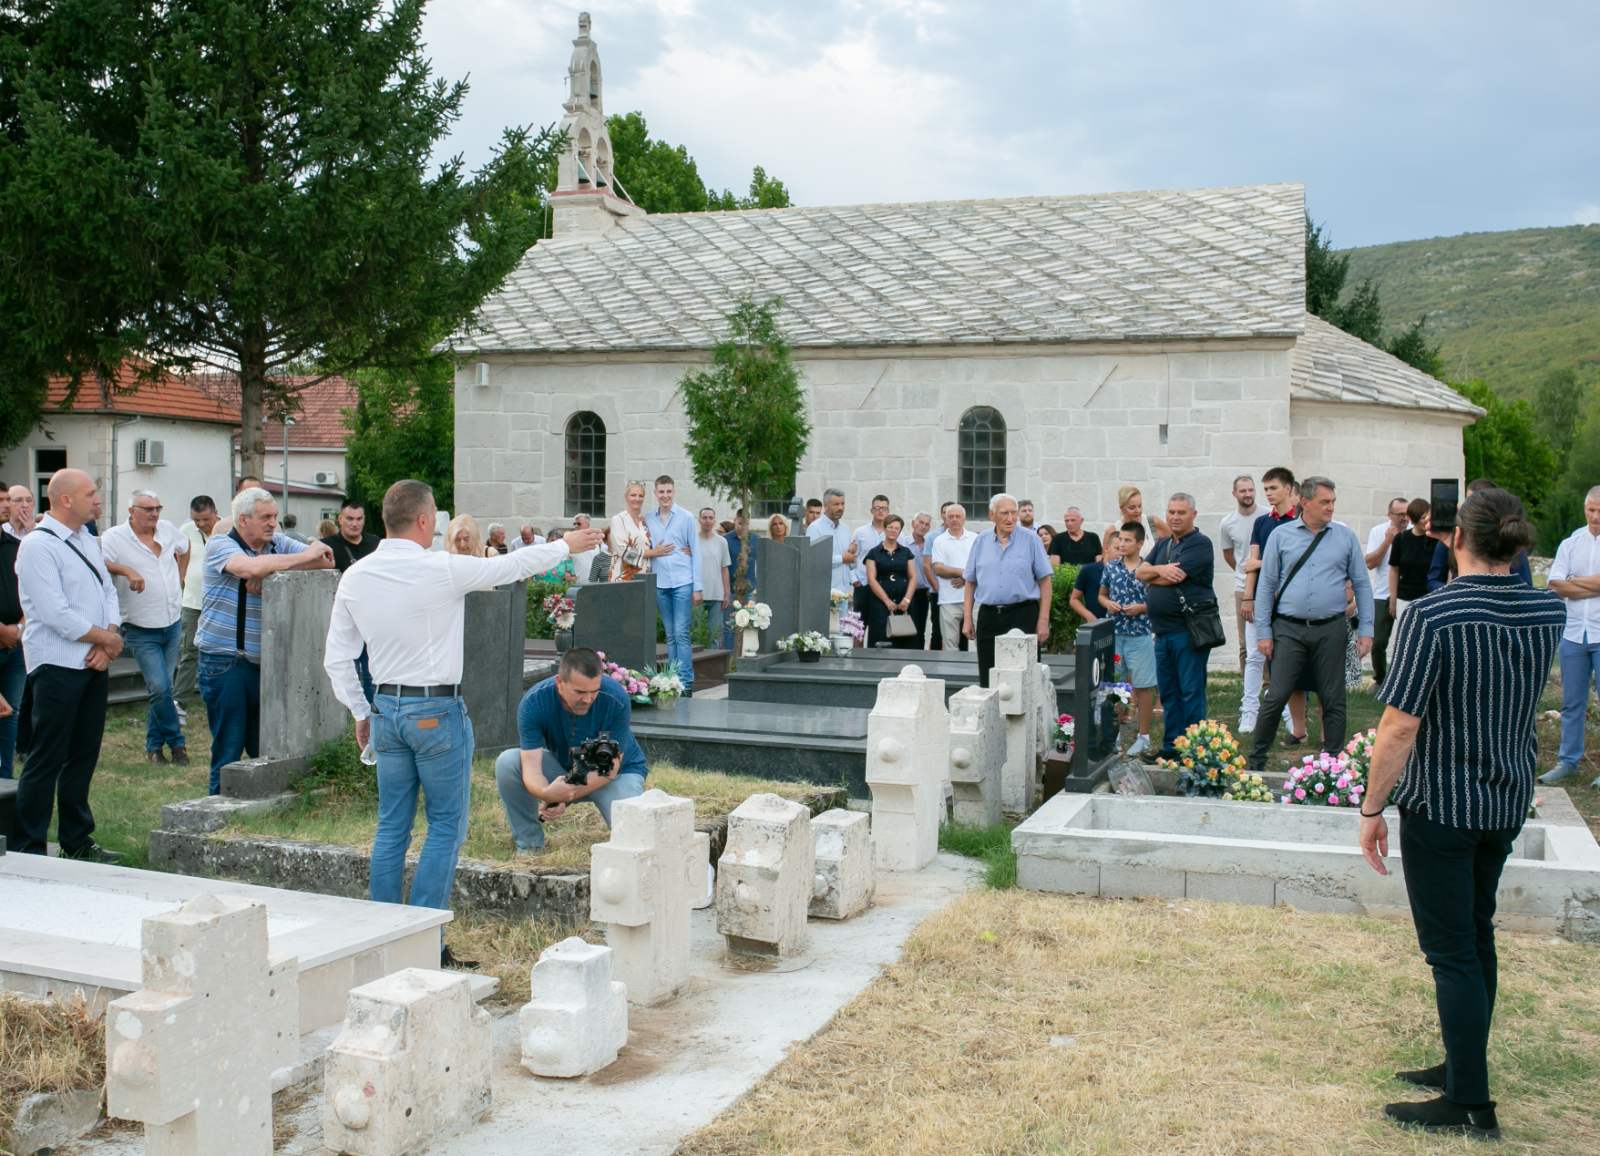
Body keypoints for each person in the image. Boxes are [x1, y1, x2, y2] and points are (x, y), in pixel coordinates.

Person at [324, 480, 602, 962]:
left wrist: (360, 709)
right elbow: (509, 566)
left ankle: (383, 937)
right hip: (434, 711)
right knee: (445, 826)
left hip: (386, 707)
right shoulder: (438, 568)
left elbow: (337, 658)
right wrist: (565, 546)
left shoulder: (356, 575)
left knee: (391, 826)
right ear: (424, 520)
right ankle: (422, 945)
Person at [1358, 487, 1562, 1140]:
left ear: (1457, 539)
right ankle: (1462, 1065)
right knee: (1476, 936)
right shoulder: (1546, 609)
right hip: (1504, 799)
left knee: (1452, 952)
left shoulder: (1433, 615)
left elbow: (1399, 725)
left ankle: (1470, 1103)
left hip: (1444, 805)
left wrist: (1371, 806)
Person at [11, 469, 123, 859]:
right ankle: (29, 843)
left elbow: (108, 593)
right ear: (65, 500)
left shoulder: (88, 540)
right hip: (57, 665)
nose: (97, 500)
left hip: (93, 662)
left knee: (84, 754)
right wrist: (104, 638)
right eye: (90, 494)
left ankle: (77, 840)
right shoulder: (38, 546)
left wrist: (108, 640)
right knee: (48, 755)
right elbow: (53, 612)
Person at [196, 487, 333, 794]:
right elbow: (247, 567)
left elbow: (324, 559)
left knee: (266, 745)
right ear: (243, 520)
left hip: (263, 664)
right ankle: (218, 806)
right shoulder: (221, 544)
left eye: (274, 516)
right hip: (225, 661)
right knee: (228, 746)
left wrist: (269, 568)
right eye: (265, 517)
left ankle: (258, 805)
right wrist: (276, 564)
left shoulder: (275, 544)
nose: (273, 523)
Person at [1247, 477, 1374, 768]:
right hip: (1288, 629)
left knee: (1333, 698)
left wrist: (1366, 630)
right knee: (1276, 694)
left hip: (1331, 628)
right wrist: (1264, 632)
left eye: (1333, 502)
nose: (1330, 507)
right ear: (1305, 502)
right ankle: (1256, 760)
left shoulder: (1345, 537)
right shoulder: (1280, 536)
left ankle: (1333, 763)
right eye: (1324, 502)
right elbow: (1266, 586)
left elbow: (1362, 584)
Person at [493, 647, 648, 857]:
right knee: (508, 762)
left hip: (617, 774)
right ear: (560, 682)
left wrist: (565, 796)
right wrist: (547, 793)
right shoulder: (534, 702)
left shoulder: (615, 697)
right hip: (566, 767)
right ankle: (529, 846)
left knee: (635, 840)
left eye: (594, 691)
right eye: (580, 692)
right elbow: (531, 769)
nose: (588, 699)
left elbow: (609, 769)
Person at [101, 490, 191, 764]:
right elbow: (101, 563)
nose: (154, 514)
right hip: (140, 626)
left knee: (162, 688)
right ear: (132, 511)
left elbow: (185, 547)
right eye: (148, 509)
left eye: (157, 508)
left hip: (171, 621)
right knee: (160, 687)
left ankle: (154, 747)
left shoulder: (167, 529)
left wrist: (181, 577)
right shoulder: (115, 537)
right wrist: (127, 571)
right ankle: (177, 744)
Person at [1135, 493, 1214, 762]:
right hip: (1162, 632)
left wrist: (1153, 574)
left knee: (1190, 691)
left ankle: (1194, 749)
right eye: (1171, 512)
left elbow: (1173, 579)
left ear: (1193, 515)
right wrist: (1160, 570)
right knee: (1169, 692)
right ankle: (1171, 747)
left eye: (1181, 512)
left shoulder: (1200, 544)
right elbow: (1139, 573)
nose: (1175, 517)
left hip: (1188, 631)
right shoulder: (1163, 543)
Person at [1240, 466, 1307, 740]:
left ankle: (1290, 715)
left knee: (1284, 660)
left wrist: (1261, 563)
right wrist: (1248, 596)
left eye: (1273, 488)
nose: (1268, 493)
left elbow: (1294, 564)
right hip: (1260, 598)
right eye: (1266, 488)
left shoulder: (1301, 521)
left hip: (1288, 602)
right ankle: (1249, 712)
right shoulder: (1262, 522)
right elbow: (1250, 564)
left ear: (1289, 489)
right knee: (1254, 657)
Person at [1541, 484, 1600, 787]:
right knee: (1572, 702)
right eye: (1591, 510)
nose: (1596, 516)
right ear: (1584, 509)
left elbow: (1567, 583)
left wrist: (1574, 581)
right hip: (1574, 633)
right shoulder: (1571, 543)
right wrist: (1592, 585)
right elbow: (1555, 584)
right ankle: (1568, 761)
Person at [962, 494, 1052, 687]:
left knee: (1025, 678)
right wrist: (967, 618)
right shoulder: (981, 540)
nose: (1010, 518)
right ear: (992, 515)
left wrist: (1043, 620)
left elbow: (1045, 581)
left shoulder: (1031, 539)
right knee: (988, 676)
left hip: (1023, 614)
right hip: (989, 616)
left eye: (1013, 513)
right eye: (1004, 513)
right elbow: (970, 581)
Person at [1100, 521, 1156, 757]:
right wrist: (1108, 604)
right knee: (1115, 685)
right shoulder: (1112, 567)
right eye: (1120, 539)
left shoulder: (1148, 569)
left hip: (1140, 634)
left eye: (1127, 540)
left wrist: (1142, 607)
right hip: (1115, 634)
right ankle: (1114, 735)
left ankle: (1144, 736)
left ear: (1140, 543)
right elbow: (1102, 594)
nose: (1122, 544)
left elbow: (1157, 601)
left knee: (1143, 685)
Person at [644, 476, 701, 696]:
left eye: (669, 491)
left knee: (681, 633)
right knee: (669, 634)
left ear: (674, 492)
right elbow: (645, 547)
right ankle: (672, 680)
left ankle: (686, 682)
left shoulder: (686, 517)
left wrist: (697, 586)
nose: (665, 496)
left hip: (682, 580)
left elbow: (696, 551)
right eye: (661, 492)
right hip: (660, 582)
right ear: (655, 493)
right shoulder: (649, 518)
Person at [1365, 497, 1409, 689]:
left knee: (1408, 642)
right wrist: (1387, 541)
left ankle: (1403, 681)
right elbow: (1370, 563)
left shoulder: (1414, 531)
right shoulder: (1378, 531)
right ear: (1389, 515)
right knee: (1378, 642)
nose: (1404, 518)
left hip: (1407, 593)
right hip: (1382, 594)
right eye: (1400, 514)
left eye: (1407, 514)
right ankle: (1381, 679)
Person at [1218, 475, 1261, 674]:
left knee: (1266, 639)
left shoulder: (1266, 515)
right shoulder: (1227, 523)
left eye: (1251, 490)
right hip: (1242, 588)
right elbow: (1228, 555)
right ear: (1234, 493)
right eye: (1243, 491)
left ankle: (1269, 685)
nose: (1248, 494)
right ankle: (1247, 685)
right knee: (1245, 642)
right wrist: (1243, 571)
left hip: (1266, 585)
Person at [864, 515, 919, 649]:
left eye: (896, 528)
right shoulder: (873, 553)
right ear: (884, 528)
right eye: (890, 527)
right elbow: (871, 579)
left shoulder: (906, 552)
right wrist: (887, 601)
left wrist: (907, 600)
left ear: (900, 531)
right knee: (880, 639)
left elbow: (913, 577)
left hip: (903, 604)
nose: (893, 530)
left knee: (904, 641)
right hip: (880, 604)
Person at [0, 484, 23, 778]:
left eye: (7, 499)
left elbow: (29, 593)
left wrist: (17, 628)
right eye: (1, 500)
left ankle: (5, 779)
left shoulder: (15, 547)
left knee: (10, 712)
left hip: (16, 644)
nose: (6, 505)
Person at [930, 503, 975, 653]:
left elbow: (981, 567)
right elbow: (938, 568)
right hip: (949, 600)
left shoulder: (975, 538)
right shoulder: (939, 540)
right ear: (945, 519)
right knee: (950, 645)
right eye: (951, 516)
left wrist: (965, 578)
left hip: (974, 599)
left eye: (958, 516)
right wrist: (964, 573)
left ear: (964, 518)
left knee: (978, 643)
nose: (954, 519)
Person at [1387, 499, 1435, 624]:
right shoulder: (1401, 539)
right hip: (1405, 598)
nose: (1427, 520)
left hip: (1430, 598)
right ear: (1413, 518)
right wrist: (1393, 599)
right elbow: (1394, 569)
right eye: (1423, 517)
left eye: (1429, 517)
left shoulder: (1436, 540)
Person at [807, 487, 857, 597]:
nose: (840, 508)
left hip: (845, 593)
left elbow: (850, 561)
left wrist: (854, 578)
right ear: (825, 506)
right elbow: (813, 559)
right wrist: (842, 558)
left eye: (842, 504)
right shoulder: (815, 529)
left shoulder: (845, 529)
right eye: (836, 504)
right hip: (824, 593)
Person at [696, 506, 732, 647]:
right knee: (696, 634)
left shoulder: (722, 542)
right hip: (697, 594)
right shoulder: (692, 540)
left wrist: (726, 593)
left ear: (714, 520)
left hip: (716, 595)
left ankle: (714, 661)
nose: (707, 520)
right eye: (704, 517)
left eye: (711, 518)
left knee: (714, 636)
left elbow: (724, 568)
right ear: (699, 520)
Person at [923, 501, 957, 650]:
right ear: (942, 515)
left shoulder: (965, 536)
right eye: (945, 512)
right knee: (937, 630)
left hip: (958, 590)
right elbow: (927, 565)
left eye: (954, 513)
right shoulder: (933, 537)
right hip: (938, 591)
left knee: (959, 630)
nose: (950, 516)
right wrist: (936, 587)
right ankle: (935, 661)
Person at [849, 494, 890, 616]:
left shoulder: (895, 533)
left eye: (884, 508)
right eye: (877, 508)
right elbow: (851, 557)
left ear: (888, 511)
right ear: (871, 510)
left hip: (885, 587)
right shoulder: (860, 532)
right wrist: (854, 580)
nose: (881, 511)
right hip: (863, 585)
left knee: (881, 624)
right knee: (858, 625)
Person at [1068, 530, 1118, 626]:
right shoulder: (1089, 570)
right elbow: (1074, 599)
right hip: (1096, 624)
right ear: (1106, 548)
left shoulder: (1128, 571)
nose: (1121, 553)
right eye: (1117, 548)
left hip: (1121, 625)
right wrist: (1089, 616)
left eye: (1123, 549)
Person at [609, 481, 652, 581]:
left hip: (645, 576)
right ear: (626, 497)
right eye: (633, 495)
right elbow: (624, 553)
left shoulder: (645, 522)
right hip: (623, 576)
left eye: (641, 496)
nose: (637, 499)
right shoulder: (618, 520)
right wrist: (654, 552)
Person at [905, 511, 933, 645]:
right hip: (907, 591)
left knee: (920, 629)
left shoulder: (930, 544)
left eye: (927, 524)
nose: (923, 526)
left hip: (924, 592)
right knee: (906, 628)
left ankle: (919, 654)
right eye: (921, 522)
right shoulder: (903, 543)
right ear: (913, 523)